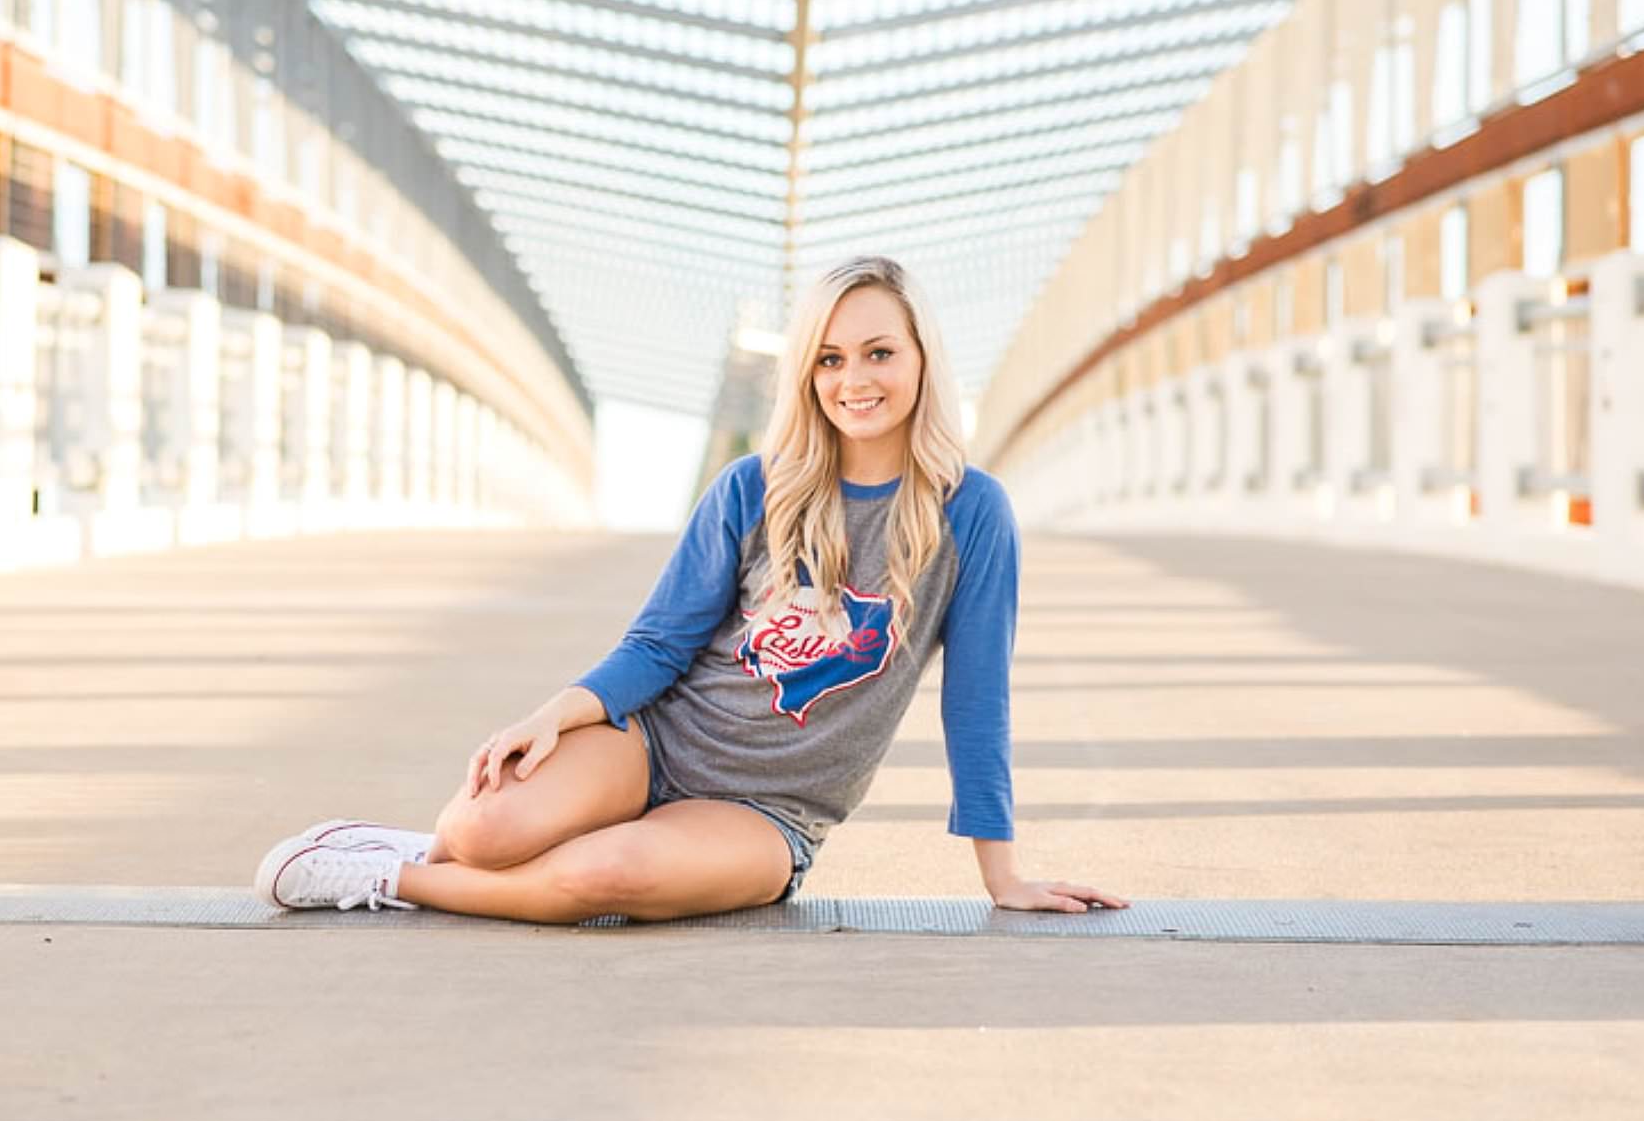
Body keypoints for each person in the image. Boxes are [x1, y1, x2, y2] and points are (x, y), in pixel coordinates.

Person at [253, 255, 1126, 921]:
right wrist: (554, 715)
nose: (852, 380)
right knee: (485, 828)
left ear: (923, 359)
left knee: (606, 880)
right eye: (828, 359)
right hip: (658, 745)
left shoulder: (971, 514)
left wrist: (1001, 875)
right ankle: (449, 852)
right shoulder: (756, 486)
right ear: (805, 376)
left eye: (877, 353)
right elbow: (660, 644)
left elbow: (977, 702)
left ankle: (394, 876)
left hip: (769, 811)